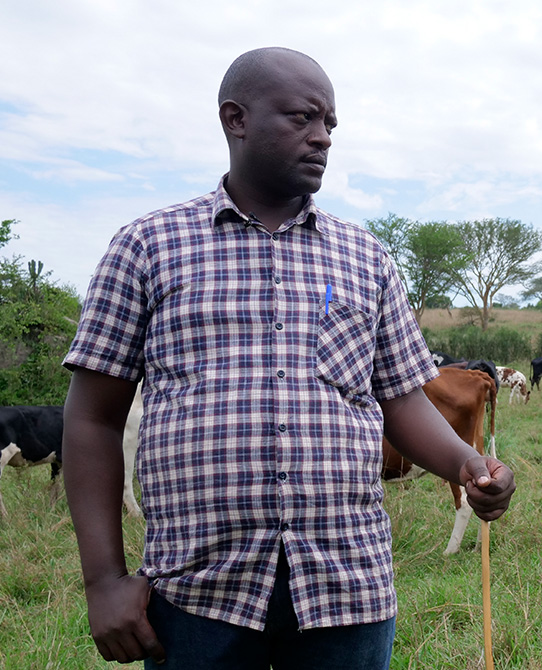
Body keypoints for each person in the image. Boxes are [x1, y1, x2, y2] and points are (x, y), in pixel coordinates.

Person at [61, 47, 515, 669]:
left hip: (345, 586)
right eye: (303, 118)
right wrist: (103, 581)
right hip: (197, 592)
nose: (322, 138)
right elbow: (93, 418)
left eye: (330, 124)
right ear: (235, 119)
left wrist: (467, 463)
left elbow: (403, 399)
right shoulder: (147, 247)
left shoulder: (366, 259)